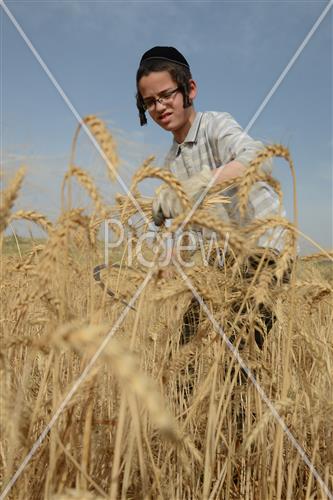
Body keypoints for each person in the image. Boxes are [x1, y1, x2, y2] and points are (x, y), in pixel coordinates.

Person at [135, 46, 288, 349]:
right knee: (185, 351)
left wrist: (200, 184)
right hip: (220, 263)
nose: (160, 107)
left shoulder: (215, 125)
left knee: (239, 354)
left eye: (166, 95)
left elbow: (259, 159)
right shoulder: (171, 164)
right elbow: (190, 231)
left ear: (189, 88)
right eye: (150, 102)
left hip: (264, 255)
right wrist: (167, 260)